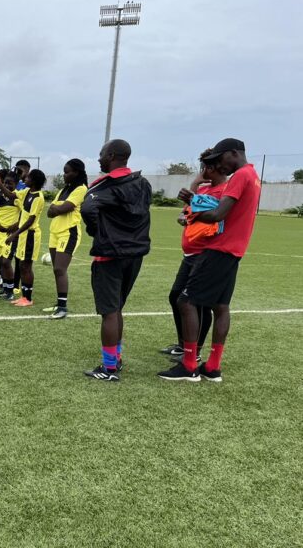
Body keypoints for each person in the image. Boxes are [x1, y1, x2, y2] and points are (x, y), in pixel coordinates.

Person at [158, 138, 260, 382]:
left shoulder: (241, 176)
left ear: (233, 153)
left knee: (186, 301)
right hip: (234, 250)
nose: (219, 165)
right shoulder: (253, 175)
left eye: (220, 158)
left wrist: (191, 213)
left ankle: (189, 364)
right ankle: (212, 367)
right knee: (220, 307)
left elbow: (217, 214)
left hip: (219, 249)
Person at [81, 139, 152, 382]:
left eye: (101, 154)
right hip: (135, 254)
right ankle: (116, 357)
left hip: (109, 255)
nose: (99, 158)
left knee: (109, 311)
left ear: (111, 155)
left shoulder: (103, 186)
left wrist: (96, 232)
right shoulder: (142, 183)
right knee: (117, 307)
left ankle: (109, 368)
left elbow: (87, 210)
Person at [158, 150, 226, 362]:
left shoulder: (224, 192)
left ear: (213, 168)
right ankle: (183, 345)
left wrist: (195, 184)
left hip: (204, 254)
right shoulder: (205, 189)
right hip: (190, 253)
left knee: (198, 303)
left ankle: (194, 352)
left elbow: (214, 216)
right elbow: (187, 213)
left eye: (204, 167)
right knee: (176, 296)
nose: (202, 171)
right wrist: (196, 187)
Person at [44, 159, 88, 319]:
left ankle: (63, 308)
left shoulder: (81, 189)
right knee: (56, 269)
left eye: (67, 171)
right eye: (64, 171)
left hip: (68, 233)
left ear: (76, 172)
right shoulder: (64, 190)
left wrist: (57, 208)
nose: (64, 175)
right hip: (54, 232)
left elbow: (65, 208)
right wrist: (57, 209)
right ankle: (59, 302)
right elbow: (50, 212)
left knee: (59, 269)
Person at [7, 169, 47, 307]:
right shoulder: (27, 192)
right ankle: (24, 296)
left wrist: (14, 234)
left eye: (29, 177)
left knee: (26, 266)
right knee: (21, 265)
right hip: (23, 235)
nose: (26, 179)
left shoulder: (38, 197)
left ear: (34, 181)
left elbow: (30, 221)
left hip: (30, 235)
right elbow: (12, 196)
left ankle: (28, 298)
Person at [0, 171, 21, 301]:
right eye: (6, 182)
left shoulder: (17, 197)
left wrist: (16, 226)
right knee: (2, 262)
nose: (7, 185)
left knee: (6, 262)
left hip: (10, 235)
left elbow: (25, 214)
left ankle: (11, 290)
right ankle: (5, 288)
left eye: (10, 183)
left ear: (16, 184)